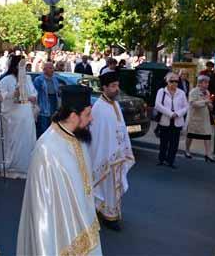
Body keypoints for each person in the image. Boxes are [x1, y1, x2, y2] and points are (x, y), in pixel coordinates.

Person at [17, 85, 102, 255]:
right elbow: (40, 211)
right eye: (87, 114)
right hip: (59, 235)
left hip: (84, 223)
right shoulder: (46, 149)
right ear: (73, 116)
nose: (91, 119)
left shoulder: (78, 137)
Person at [88, 71, 135, 231]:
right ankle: (109, 216)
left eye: (117, 85)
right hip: (106, 157)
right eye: (113, 86)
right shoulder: (99, 108)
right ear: (104, 87)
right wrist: (110, 153)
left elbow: (120, 128)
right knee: (106, 187)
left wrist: (123, 149)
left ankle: (108, 212)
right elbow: (99, 137)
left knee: (112, 187)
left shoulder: (114, 104)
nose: (117, 89)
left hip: (116, 155)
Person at [0, 55, 37, 179]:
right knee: (13, 142)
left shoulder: (28, 78)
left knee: (26, 140)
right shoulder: (6, 80)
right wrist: (13, 94)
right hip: (12, 116)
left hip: (26, 114)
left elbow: (34, 93)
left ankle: (25, 168)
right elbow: (0, 97)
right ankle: (10, 169)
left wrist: (32, 97)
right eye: (21, 66)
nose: (23, 69)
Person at [155, 72, 188, 168]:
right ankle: (161, 159)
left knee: (174, 143)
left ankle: (170, 161)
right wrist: (170, 113)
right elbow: (158, 105)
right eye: (171, 81)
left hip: (177, 121)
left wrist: (177, 114)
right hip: (165, 120)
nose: (174, 83)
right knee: (164, 142)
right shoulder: (161, 91)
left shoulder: (181, 93)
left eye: (176, 81)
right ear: (167, 81)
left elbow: (186, 107)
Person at [185, 75, 215, 162]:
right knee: (190, 135)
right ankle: (187, 150)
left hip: (205, 118)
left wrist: (210, 105)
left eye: (208, 83)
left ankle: (208, 154)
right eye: (205, 82)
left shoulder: (207, 92)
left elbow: (208, 104)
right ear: (199, 83)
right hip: (195, 117)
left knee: (207, 135)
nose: (207, 84)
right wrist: (205, 101)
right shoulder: (193, 92)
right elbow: (193, 104)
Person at [33, 61, 61, 137]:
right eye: (50, 68)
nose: (52, 70)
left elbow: (58, 91)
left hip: (53, 106)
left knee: (51, 130)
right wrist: (37, 106)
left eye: (53, 68)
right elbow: (35, 94)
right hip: (43, 107)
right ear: (44, 69)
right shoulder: (38, 80)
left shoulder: (55, 79)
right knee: (43, 130)